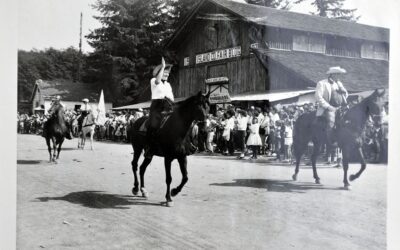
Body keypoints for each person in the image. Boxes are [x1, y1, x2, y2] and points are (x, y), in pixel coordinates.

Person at [315, 66, 348, 164]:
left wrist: (343, 91)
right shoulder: (322, 83)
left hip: (340, 107)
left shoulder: (339, 84)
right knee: (330, 123)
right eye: (337, 74)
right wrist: (328, 107)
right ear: (332, 74)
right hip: (328, 108)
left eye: (339, 74)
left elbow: (345, 96)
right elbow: (318, 97)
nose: (339, 76)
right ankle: (330, 142)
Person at [145, 57, 174, 157]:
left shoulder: (168, 85)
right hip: (157, 105)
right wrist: (163, 67)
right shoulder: (154, 81)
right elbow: (158, 81)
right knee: (153, 125)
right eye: (165, 73)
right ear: (159, 73)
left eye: (167, 73)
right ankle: (149, 147)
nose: (167, 75)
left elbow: (171, 97)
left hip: (168, 105)